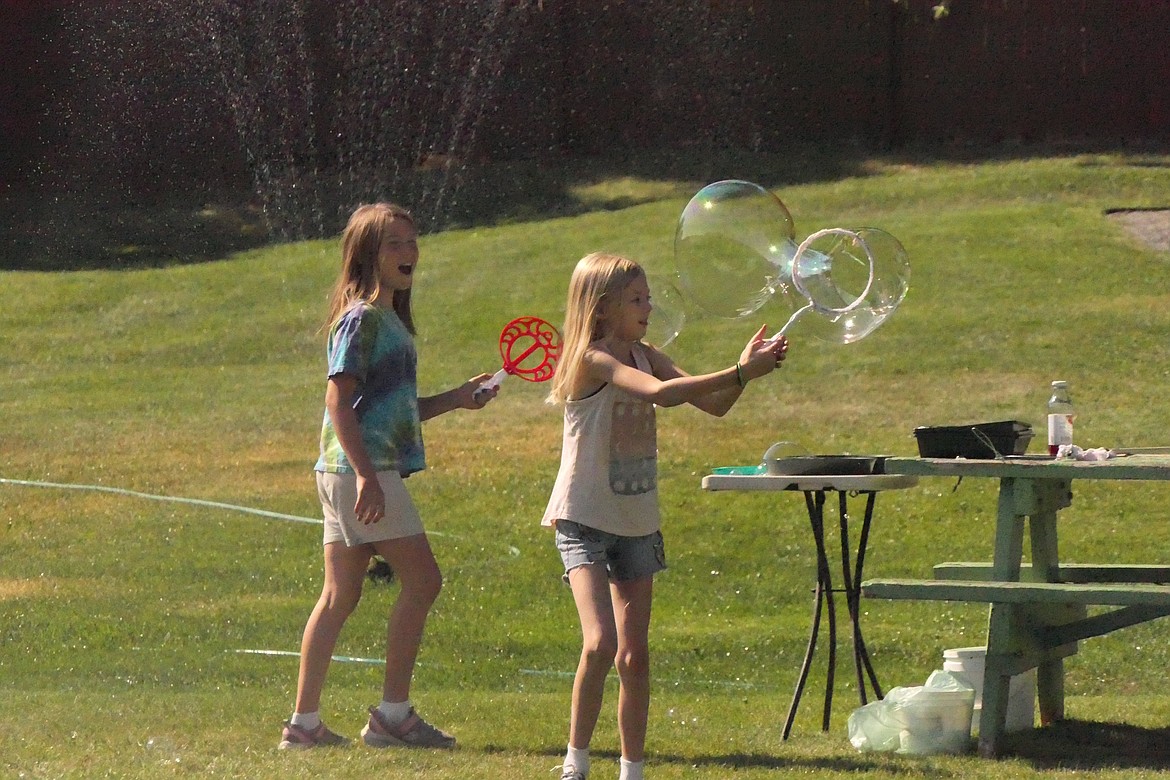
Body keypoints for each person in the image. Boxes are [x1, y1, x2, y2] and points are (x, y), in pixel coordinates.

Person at [542, 252, 788, 780]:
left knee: (634, 655)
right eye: (637, 299)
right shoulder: (592, 357)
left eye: (647, 297)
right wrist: (741, 369)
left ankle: (633, 769)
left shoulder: (646, 352)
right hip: (582, 517)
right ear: (602, 307)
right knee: (600, 643)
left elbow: (714, 403)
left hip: (636, 521)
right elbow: (660, 395)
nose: (648, 307)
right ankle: (576, 763)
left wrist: (743, 374)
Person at [279, 202, 497, 750]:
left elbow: (390, 408)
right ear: (367, 255)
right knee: (423, 581)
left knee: (338, 596)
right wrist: (369, 479)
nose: (409, 253)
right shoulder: (361, 319)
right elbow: (338, 402)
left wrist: (456, 400)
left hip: (339, 472)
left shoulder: (390, 322)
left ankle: (303, 727)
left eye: (412, 241)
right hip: (360, 472)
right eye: (394, 244)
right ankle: (393, 717)